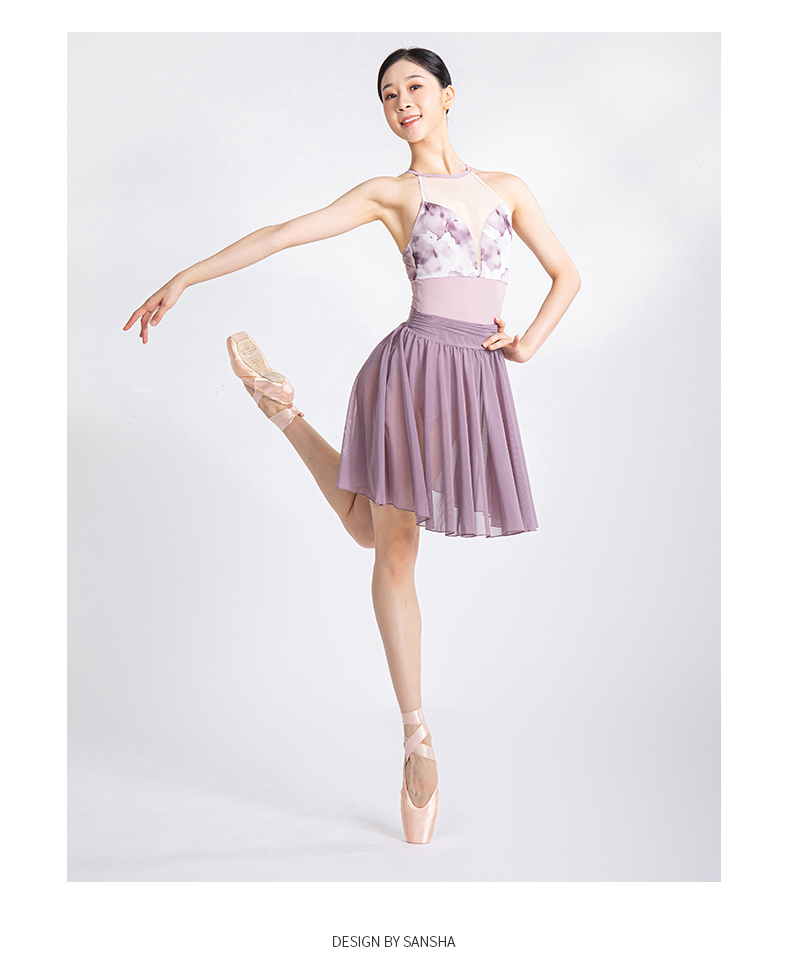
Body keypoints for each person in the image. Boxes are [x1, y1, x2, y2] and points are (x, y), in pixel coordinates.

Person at [123, 47, 581, 844]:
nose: (402, 103)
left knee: (369, 528)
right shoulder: (390, 194)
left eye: (415, 88)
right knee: (393, 548)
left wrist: (527, 343)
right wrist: (187, 277)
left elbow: (566, 275)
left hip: (473, 381)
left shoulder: (508, 188)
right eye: (388, 95)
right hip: (412, 371)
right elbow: (281, 235)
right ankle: (417, 741)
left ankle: (283, 413)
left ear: (447, 95)